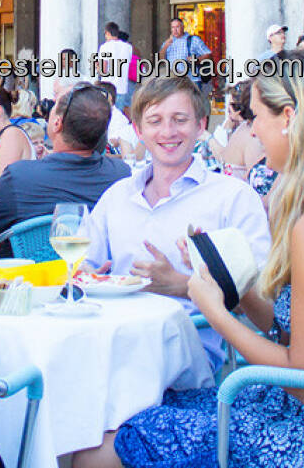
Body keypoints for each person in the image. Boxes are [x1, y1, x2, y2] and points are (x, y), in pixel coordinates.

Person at [89, 50, 304, 468]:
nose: (250, 134)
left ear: (288, 118)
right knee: (146, 415)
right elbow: (292, 332)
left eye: (254, 119)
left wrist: (214, 311)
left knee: (102, 445)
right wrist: (228, 274)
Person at [83, 76, 270, 358]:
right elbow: (85, 266)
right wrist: (86, 278)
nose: (167, 132)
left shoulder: (233, 197)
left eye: (179, 119)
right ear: (139, 130)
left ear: (201, 125)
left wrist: (183, 286)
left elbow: (264, 305)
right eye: (155, 121)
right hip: (110, 342)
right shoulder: (116, 197)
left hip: (187, 352)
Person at [0, 81, 129, 235]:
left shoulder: (19, 177)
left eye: (54, 105)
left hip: (35, 260)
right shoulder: (121, 175)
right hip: (95, 258)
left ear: (57, 123)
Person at [159, 17, 211, 89]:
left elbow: (208, 54)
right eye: (173, 27)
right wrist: (165, 47)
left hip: (191, 80)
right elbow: (161, 60)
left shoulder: (194, 40)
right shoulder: (167, 42)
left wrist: (196, 60)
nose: (175, 30)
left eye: (177, 27)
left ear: (183, 27)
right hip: (173, 81)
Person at [96, 21, 136, 110]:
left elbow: (103, 70)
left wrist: (97, 66)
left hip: (108, 88)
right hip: (122, 87)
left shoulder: (105, 47)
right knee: (118, 115)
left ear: (107, 33)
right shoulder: (128, 47)